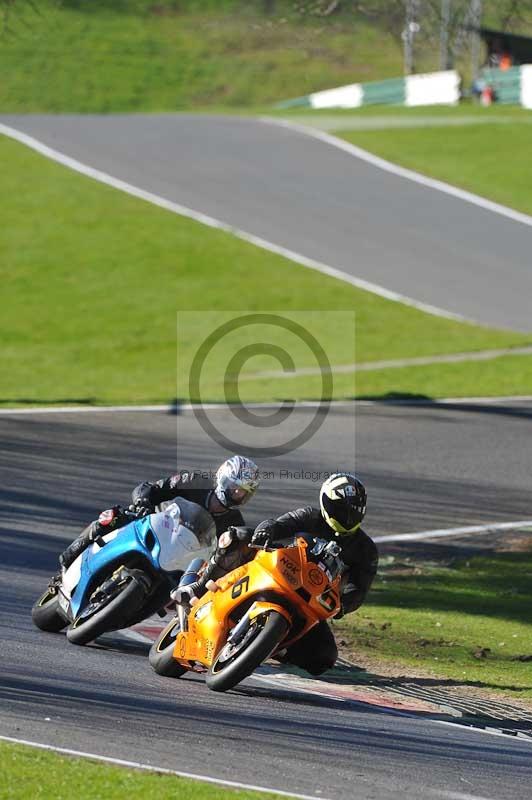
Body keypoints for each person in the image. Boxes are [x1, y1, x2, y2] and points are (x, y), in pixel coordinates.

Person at [175, 472, 378, 676]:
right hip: (277, 570)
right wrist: (266, 532)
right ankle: (199, 587)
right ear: (326, 502)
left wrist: (344, 604)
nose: (348, 515)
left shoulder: (366, 550)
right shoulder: (309, 516)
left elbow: (359, 589)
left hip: (310, 598)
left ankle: (271, 646)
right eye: (342, 508)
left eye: (355, 509)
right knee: (238, 536)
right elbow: (277, 524)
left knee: (324, 657)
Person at [58, 455, 260, 570]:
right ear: (223, 478)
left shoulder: (234, 522)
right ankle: (69, 558)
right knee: (112, 517)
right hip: (152, 526)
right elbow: (151, 488)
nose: (237, 494)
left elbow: (227, 555)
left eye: (243, 492)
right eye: (235, 487)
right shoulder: (194, 482)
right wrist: (142, 502)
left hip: (181, 557)